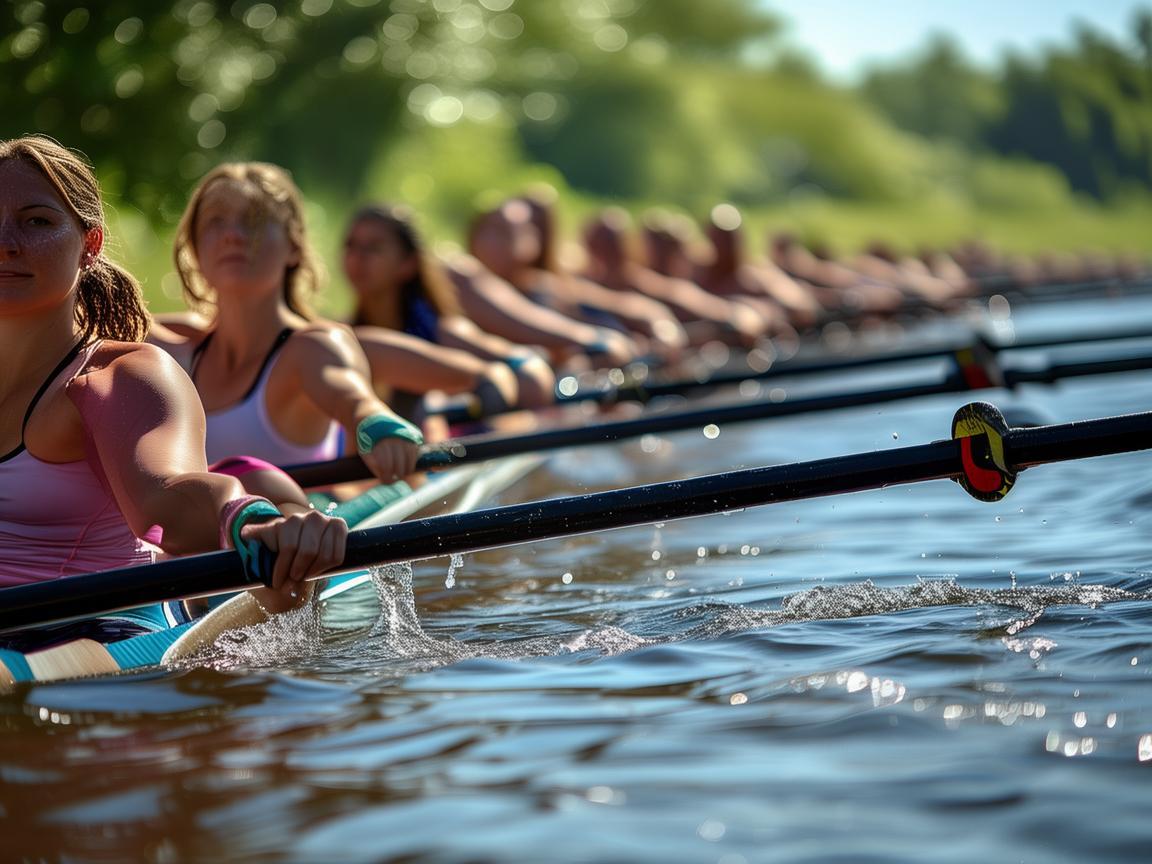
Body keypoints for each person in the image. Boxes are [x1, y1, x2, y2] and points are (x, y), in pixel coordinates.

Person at [0, 136, 347, 660]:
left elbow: (165, 496)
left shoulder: (122, 375)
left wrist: (245, 518)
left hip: (95, 629)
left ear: (90, 245)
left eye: (37, 221)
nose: (6, 241)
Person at [149, 162, 422, 490]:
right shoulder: (168, 347)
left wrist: (374, 421)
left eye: (253, 220)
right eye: (215, 221)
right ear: (195, 249)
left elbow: (352, 395)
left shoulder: (314, 346)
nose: (233, 235)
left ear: (293, 246)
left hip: (305, 532)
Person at [342, 203, 553, 417]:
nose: (358, 257)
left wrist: (490, 393)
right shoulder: (341, 334)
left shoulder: (441, 330)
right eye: (351, 246)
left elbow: (529, 369)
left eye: (374, 248)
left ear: (408, 263)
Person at [471, 196, 689, 362]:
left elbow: (640, 310)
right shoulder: (463, 284)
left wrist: (662, 332)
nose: (492, 242)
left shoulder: (547, 287)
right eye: (488, 230)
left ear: (532, 243)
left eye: (505, 233)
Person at [581, 207, 769, 347]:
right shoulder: (578, 284)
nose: (605, 254)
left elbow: (739, 317)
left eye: (612, 245)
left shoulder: (650, 284)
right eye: (599, 245)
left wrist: (667, 336)